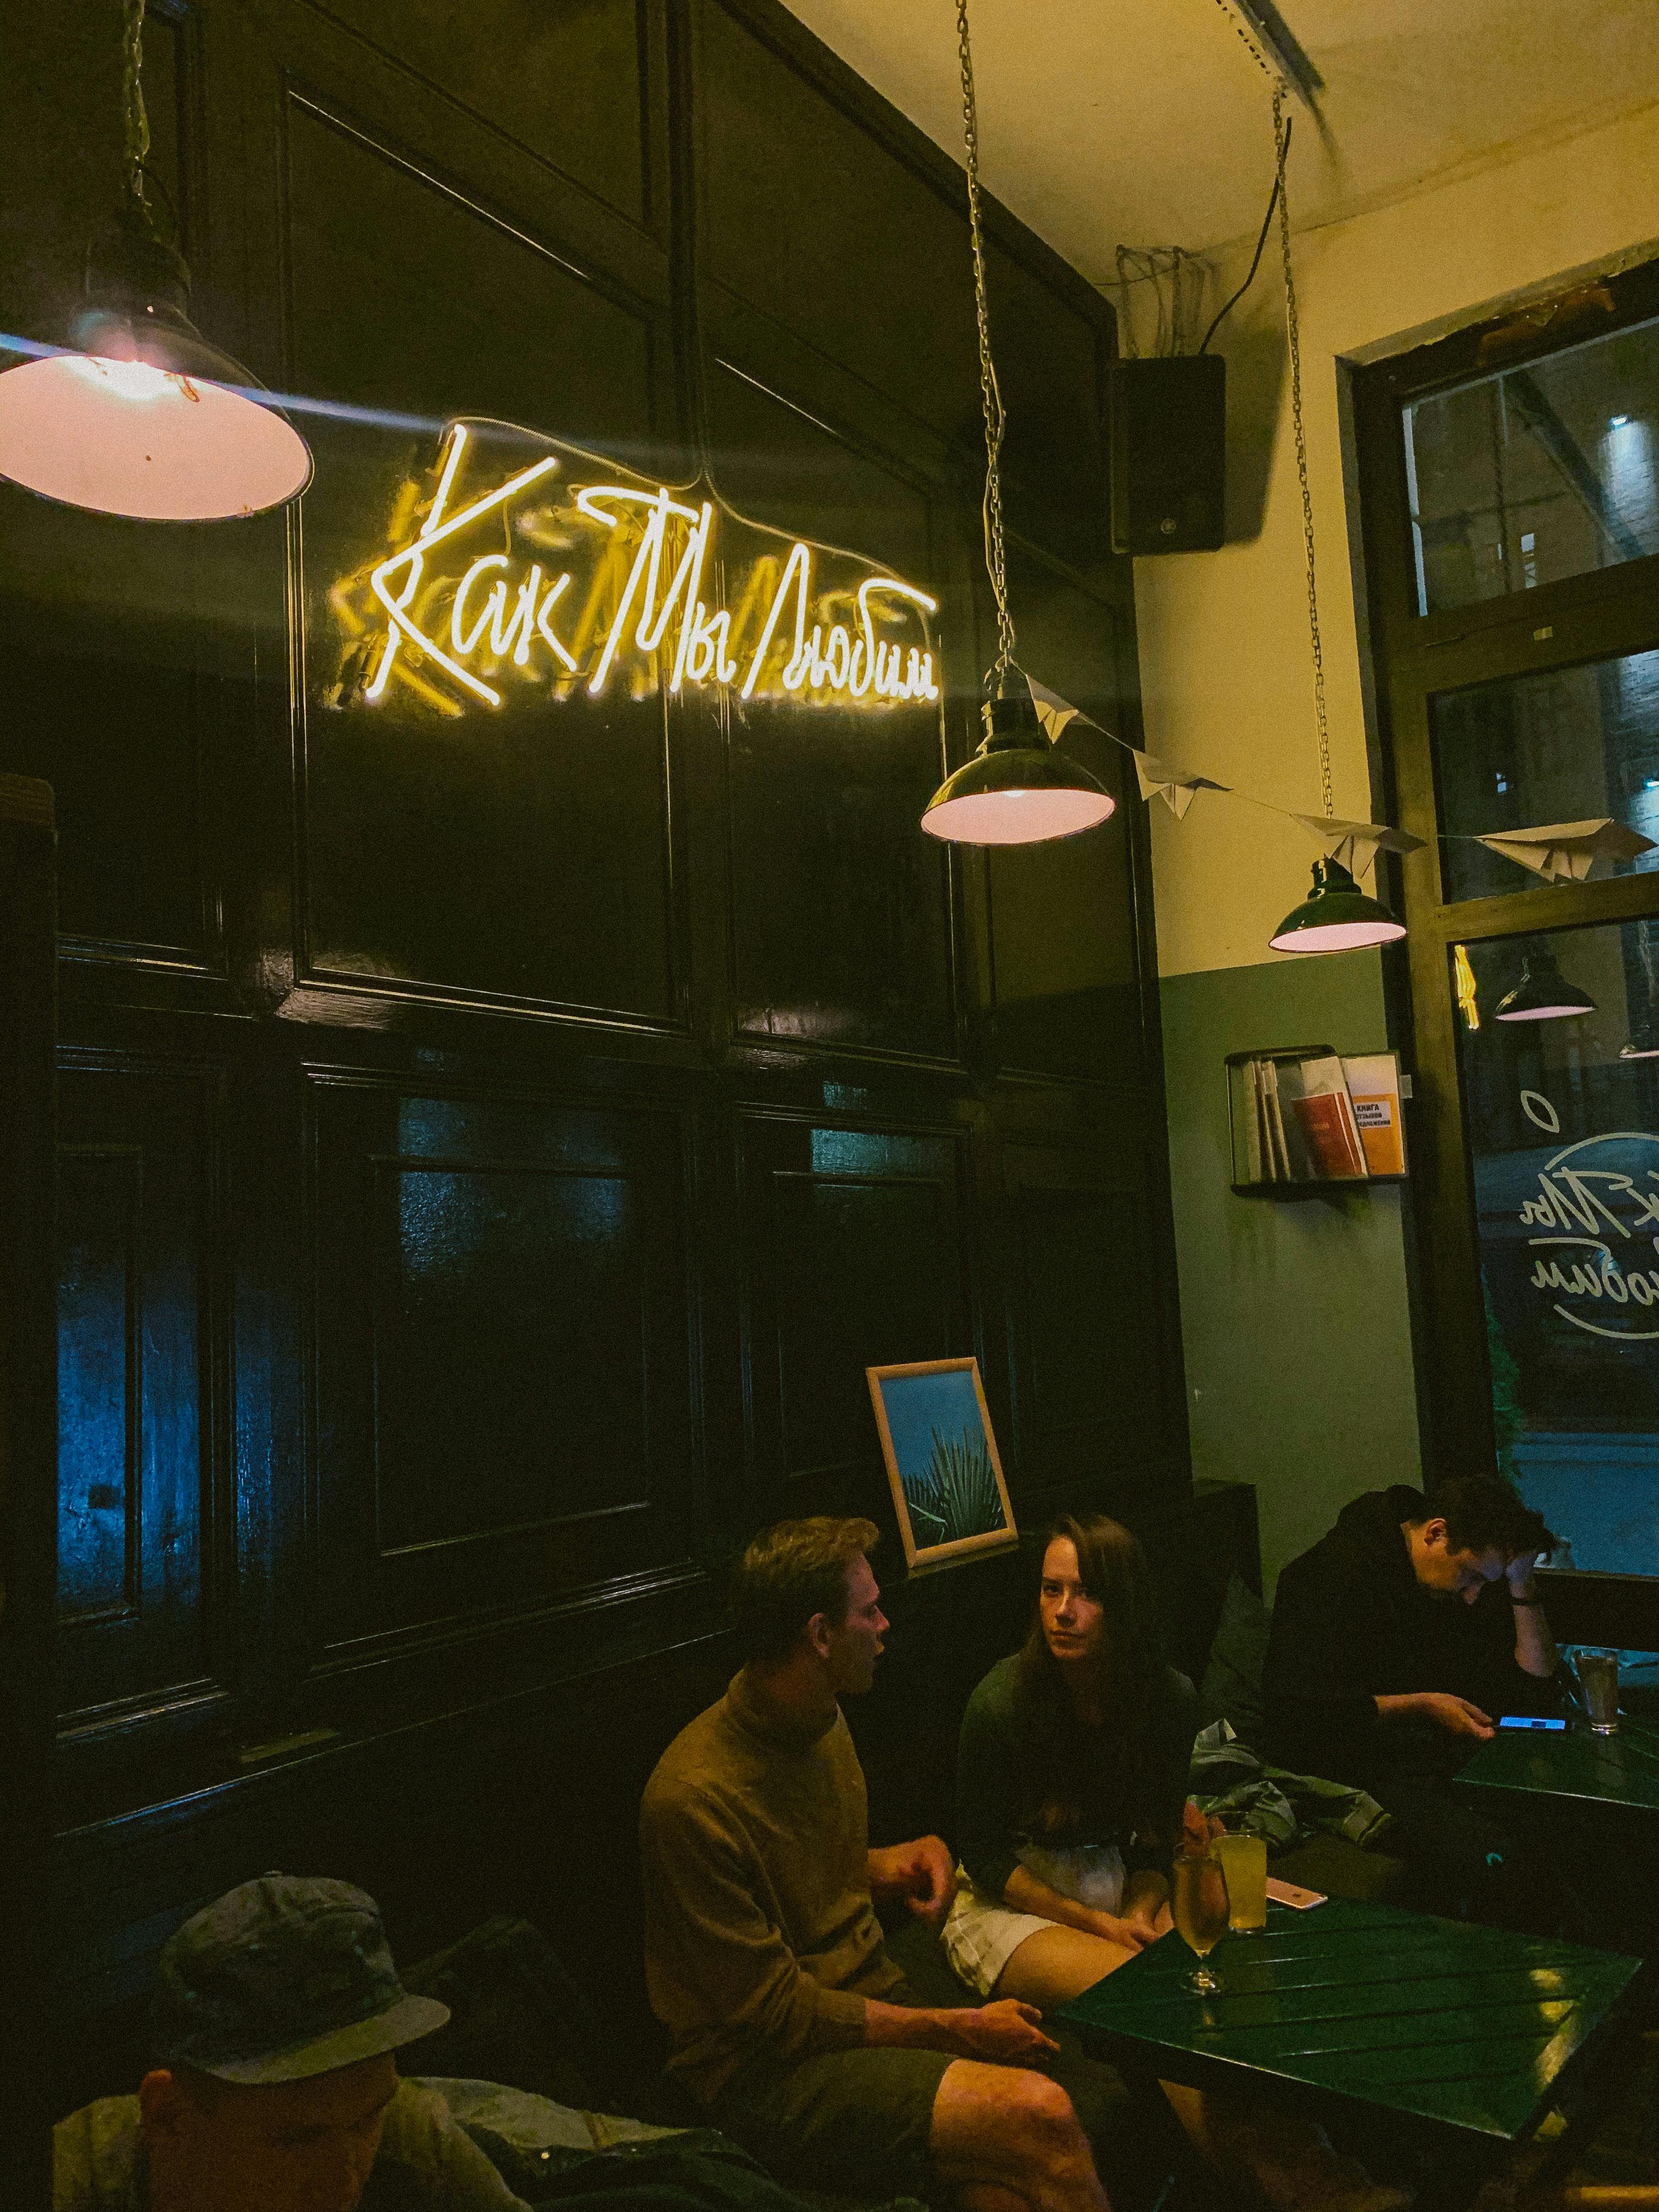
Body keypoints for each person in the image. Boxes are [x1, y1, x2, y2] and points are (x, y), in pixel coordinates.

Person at [640, 1515, 1118, 2212]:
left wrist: (884, 1863)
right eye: (869, 1610)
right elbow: (772, 2014)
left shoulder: (820, 1714)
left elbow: (794, 1859)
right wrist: (955, 2025)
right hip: (762, 2074)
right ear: (819, 1634)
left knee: (1013, 2173)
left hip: (863, 1995)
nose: (886, 1623)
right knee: (1039, 2112)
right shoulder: (690, 1799)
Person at [945, 1513, 1408, 2212]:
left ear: (1123, 1603)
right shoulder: (1002, 1701)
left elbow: (1155, 1839)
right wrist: (1096, 1926)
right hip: (1013, 1897)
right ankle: (1315, 2188)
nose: (1062, 1612)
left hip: (1109, 1877)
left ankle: (1308, 2169)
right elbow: (980, 1854)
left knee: (1219, 1978)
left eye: (1085, 1593)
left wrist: (1137, 1907)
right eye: (1050, 1590)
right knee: (1159, 1994)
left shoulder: (1167, 1697)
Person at [54, 1872, 524, 2212]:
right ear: (169, 2117)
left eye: (366, 2120)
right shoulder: (60, 2186)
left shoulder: (416, 2146)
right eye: (299, 2138)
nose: (342, 2185)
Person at [1261, 1477, 1558, 1915]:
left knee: (1556, 1829)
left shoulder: (1460, 1582)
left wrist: (1520, 1583)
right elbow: (1300, 1713)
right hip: (1355, 1765)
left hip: (1444, 1759)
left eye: (1487, 1581)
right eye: (1472, 1576)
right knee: (1494, 1854)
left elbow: (1536, 1686)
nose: (1475, 1595)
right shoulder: (1331, 1577)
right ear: (1435, 1534)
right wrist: (1423, 1703)